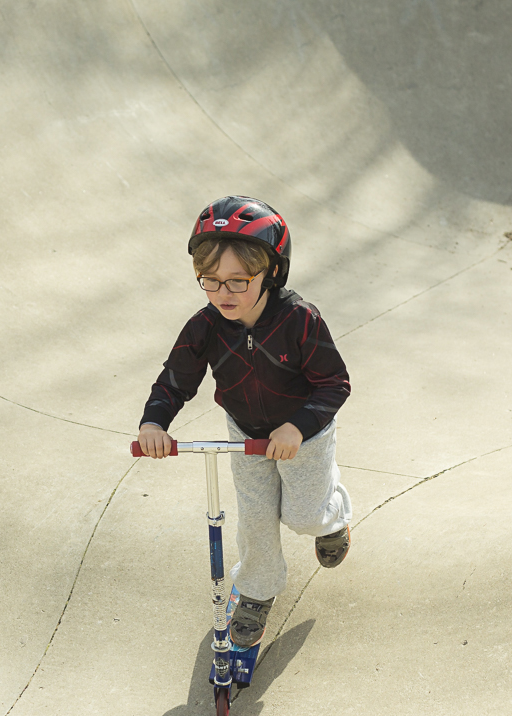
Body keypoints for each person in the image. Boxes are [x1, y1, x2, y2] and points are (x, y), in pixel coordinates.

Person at [137, 196, 352, 648]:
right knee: (254, 519)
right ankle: (256, 590)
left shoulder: (300, 320)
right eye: (210, 281)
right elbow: (175, 380)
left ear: (271, 273)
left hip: (302, 435)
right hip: (245, 433)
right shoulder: (205, 326)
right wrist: (154, 424)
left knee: (303, 515)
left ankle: (331, 516)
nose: (224, 294)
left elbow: (334, 383)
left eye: (238, 281)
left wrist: (297, 427)